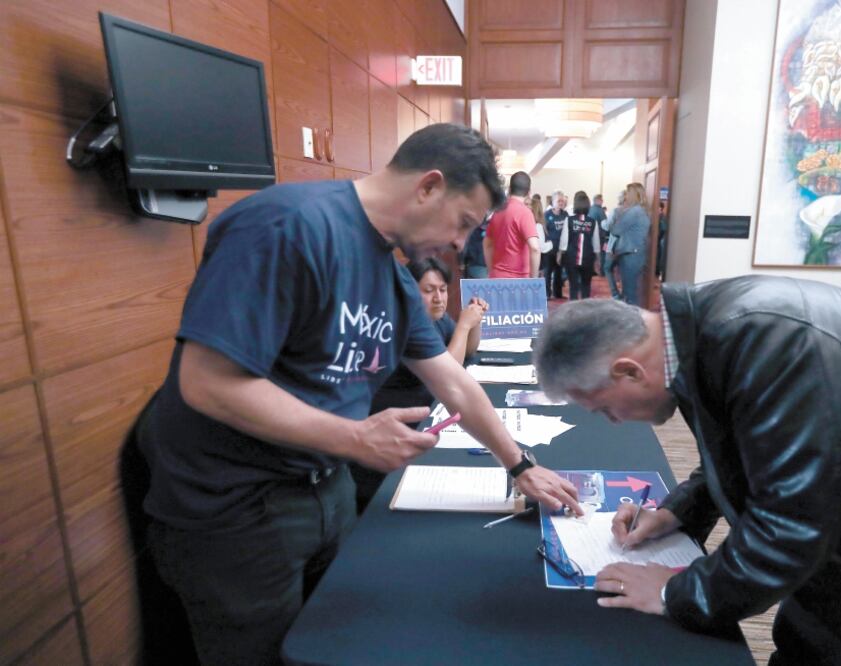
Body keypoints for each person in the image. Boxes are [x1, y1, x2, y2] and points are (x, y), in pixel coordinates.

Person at [135, 123, 580, 666]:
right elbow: (208, 382)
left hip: (326, 490)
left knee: (339, 645)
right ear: (429, 186)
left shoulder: (390, 276)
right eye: (463, 223)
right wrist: (353, 437)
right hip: (237, 510)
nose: (461, 245)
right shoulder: (288, 226)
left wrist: (518, 466)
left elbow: (453, 380)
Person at [533, 280, 841, 666]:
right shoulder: (700, 336)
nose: (613, 422)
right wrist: (677, 512)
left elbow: (792, 525)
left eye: (602, 409)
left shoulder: (770, 339)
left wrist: (678, 593)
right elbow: (751, 451)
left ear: (629, 371)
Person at [350, 256, 488, 513]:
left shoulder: (437, 319)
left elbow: (467, 352)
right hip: (397, 428)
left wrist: (474, 324)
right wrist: (463, 326)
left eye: (443, 289)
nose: (439, 298)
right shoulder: (403, 324)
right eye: (428, 291)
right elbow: (450, 371)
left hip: (426, 418)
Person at [484, 170, 541, 278]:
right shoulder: (525, 213)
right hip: (519, 280)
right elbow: (535, 248)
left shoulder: (497, 211)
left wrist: (492, 270)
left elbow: (487, 244)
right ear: (529, 192)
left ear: (509, 190)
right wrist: (534, 279)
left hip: (497, 276)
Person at [558, 190, 601, 300]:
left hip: (571, 258)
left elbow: (564, 241)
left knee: (573, 287)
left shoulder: (569, 220)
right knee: (586, 286)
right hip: (587, 258)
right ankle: (584, 312)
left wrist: (559, 254)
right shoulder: (593, 222)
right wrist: (598, 260)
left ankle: (573, 312)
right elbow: (596, 244)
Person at [614, 182, 651, 306]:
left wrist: (619, 213)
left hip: (630, 254)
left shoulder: (633, 212)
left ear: (634, 195)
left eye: (628, 193)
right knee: (633, 291)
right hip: (639, 253)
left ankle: (632, 322)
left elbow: (615, 229)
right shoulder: (644, 211)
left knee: (630, 293)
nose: (626, 197)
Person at [544, 190, 569, 299]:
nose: (561, 203)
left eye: (563, 201)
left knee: (559, 272)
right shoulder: (547, 215)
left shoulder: (565, 214)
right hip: (549, 250)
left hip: (561, 249)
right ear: (553, 202)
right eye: (559, 201)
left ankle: (558, 293)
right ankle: (546, 294)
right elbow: (544, 232)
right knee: (548, 273)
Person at [603, 190, 626, 300]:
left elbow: (607, 226)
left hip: (614, 245)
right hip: (628, 246)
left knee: (607, 268)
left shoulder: (616, 211)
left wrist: (603, 222)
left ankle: (615, 293)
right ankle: (625, 293)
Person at [528, 195, 553, 273]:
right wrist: (551, 244)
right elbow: (541, 247)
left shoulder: (529, 224)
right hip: (538, 262)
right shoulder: (538, 226)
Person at [459, 214, 489, 278]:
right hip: (478, 264)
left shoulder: (473, 231)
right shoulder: (474, 232)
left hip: (476, 263)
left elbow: (465, 247)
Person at [589, 194, 608, 275]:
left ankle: (591, 270)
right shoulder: (600, 210)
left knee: (592, 254)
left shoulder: (590, 209)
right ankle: (602, 271)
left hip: (590, 234)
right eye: (601, 200)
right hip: (600, 235)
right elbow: (605, 223)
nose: (602, 201)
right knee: (602, 253)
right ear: (597, 200)